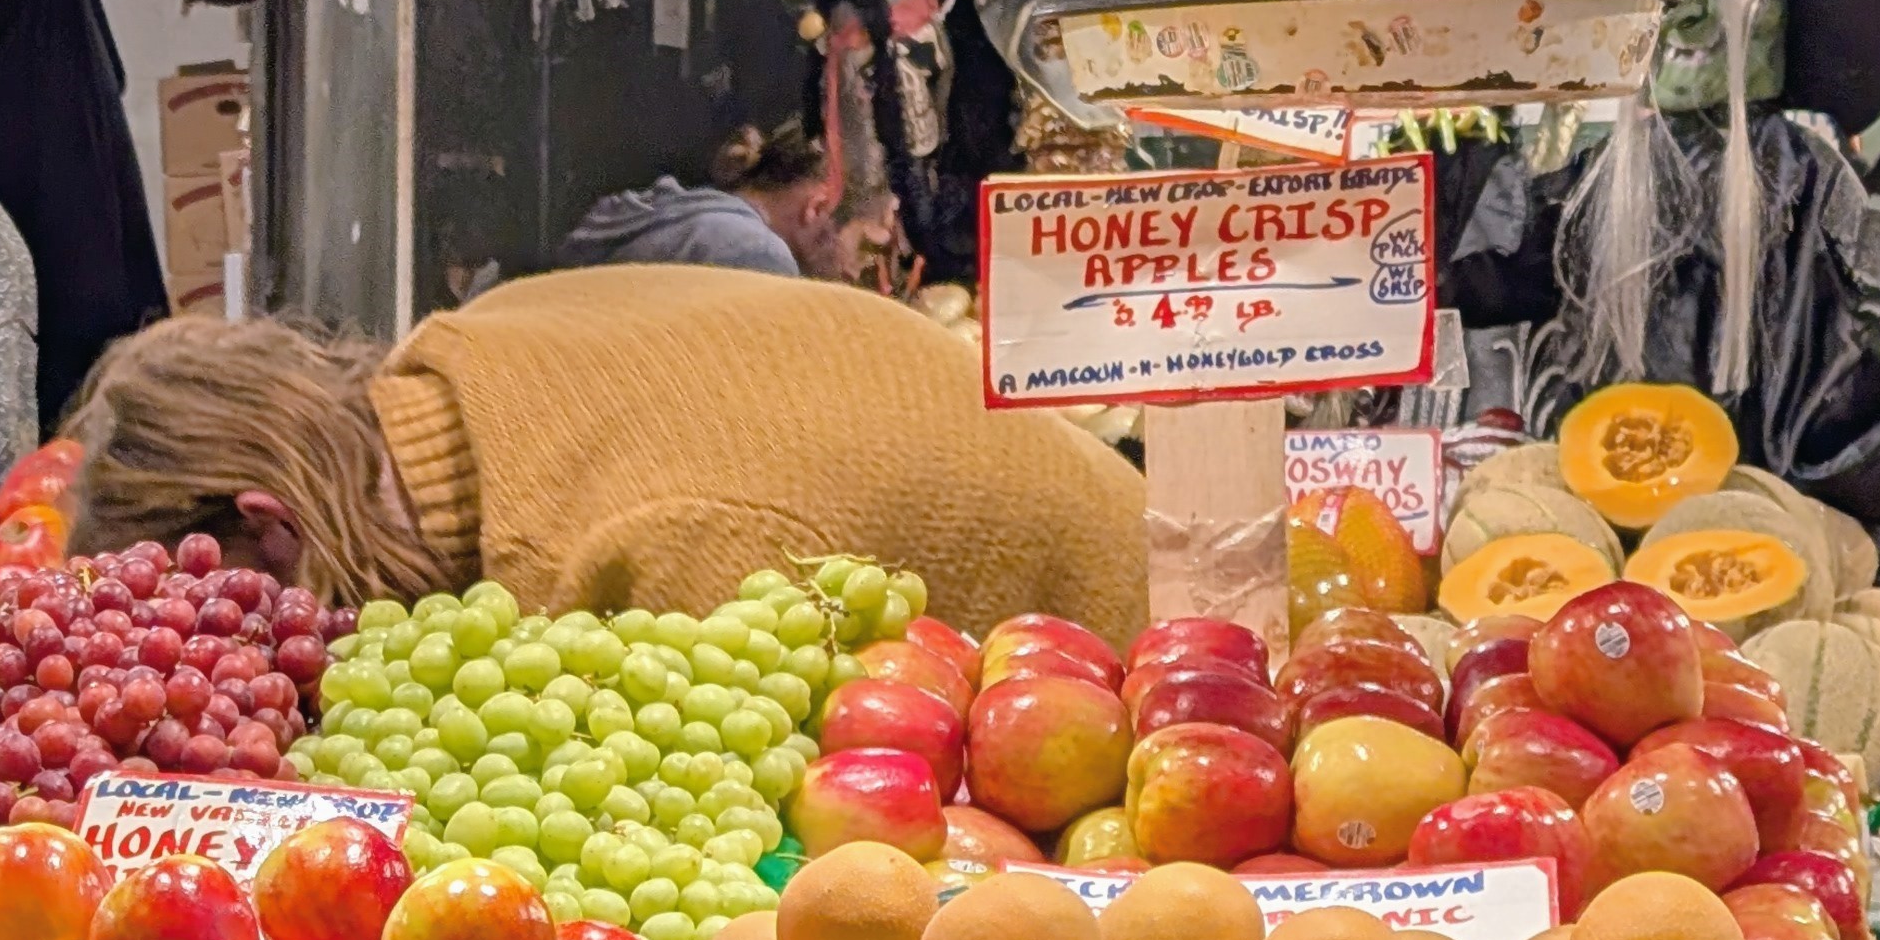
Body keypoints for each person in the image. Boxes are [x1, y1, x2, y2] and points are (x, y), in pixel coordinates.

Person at [67, 269, 1148, 640]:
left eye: (239, 609)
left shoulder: (623, 546)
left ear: (272, 522)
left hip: (1153, 663)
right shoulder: (474, 346)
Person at [553, 123, 864, 280]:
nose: (853, 270)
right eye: (865, 247)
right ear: (817, 208)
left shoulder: (666, 209)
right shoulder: (759, 256)